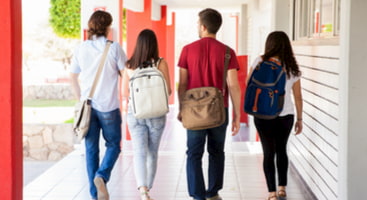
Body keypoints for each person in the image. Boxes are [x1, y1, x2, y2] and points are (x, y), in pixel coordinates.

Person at [177, 8, 241, 200]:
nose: (197, 26)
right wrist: (237, 115)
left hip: (193, 111)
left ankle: (197, 195)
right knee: (216, 151)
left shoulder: (187, 50)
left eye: (198, 23)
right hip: (219, 110)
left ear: (203, 26)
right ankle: (213, 192)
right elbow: (234, 85)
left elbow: (183, 83)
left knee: (194, 153)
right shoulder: (228, 52)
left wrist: (181, 108)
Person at [69, 10, 127, 200]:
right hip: (109, 106)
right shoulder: (114, 48)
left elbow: (72, 76)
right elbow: (124, 73)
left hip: (88, 107)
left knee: (91, 150)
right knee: (114, 145)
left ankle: (95, 196)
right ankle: (102, 176)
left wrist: (80, 99)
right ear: (108, 28)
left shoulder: (81, 48)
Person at [247, 31, 303, 200]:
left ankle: (271, 193)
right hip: (285, 115)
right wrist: (300, 119)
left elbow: (249, 83)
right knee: (282, 150)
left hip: (263, 115)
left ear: (269, 44)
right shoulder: (292, 67)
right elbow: (298, 97)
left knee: (268, 152)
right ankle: (282, 188)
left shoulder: (260, 61)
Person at [121, 29, 172, 200]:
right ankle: (148, 187)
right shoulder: (160, 63)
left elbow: (124, 92)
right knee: (152, 152)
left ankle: (143, 190)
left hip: (135, 114)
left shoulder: (129, 65)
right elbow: (169, 90)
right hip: (157, 114)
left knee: (139, 152)